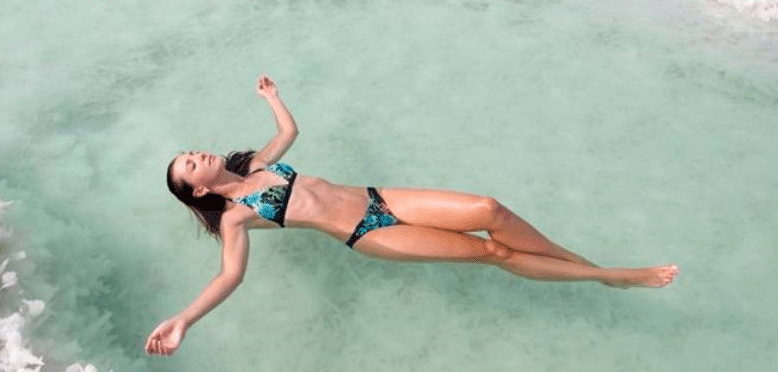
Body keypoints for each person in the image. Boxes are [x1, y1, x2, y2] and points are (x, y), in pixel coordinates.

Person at [144, 75, 678, 356]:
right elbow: (229, 276)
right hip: (369, 233)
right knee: (494, 252)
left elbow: (289, 134)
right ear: (198, 189)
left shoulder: (255, 164)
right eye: (191, 164)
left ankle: (580, 264)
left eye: (192, 151)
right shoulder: (236, 217)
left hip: (380, 196)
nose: (199, 154)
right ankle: (606, 275)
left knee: (489, 209)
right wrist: (183, 320)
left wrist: (273, 98)